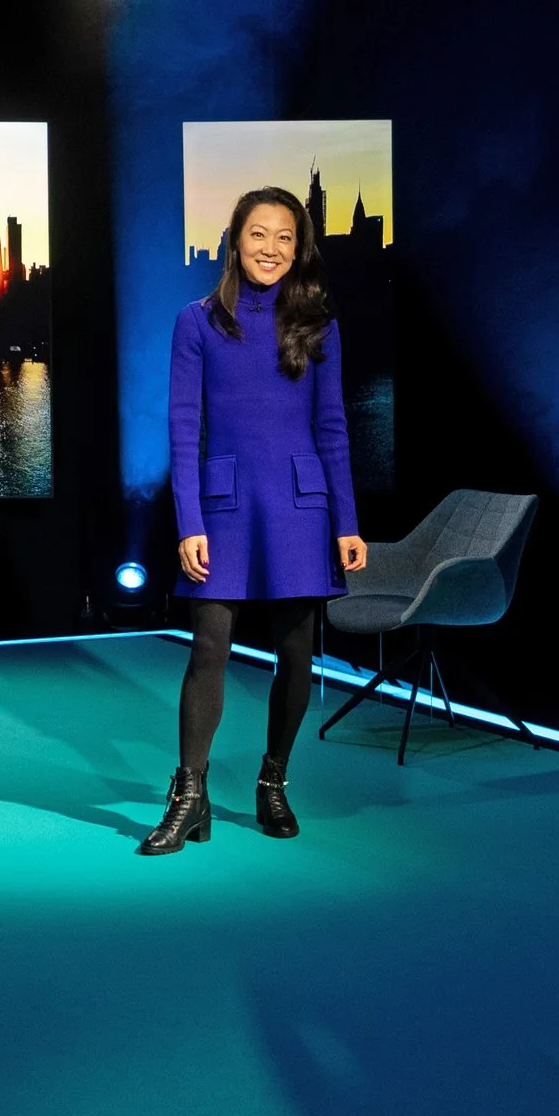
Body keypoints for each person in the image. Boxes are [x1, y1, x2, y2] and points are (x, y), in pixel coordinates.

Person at [139, 186, 366, 855]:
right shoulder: (198, 321)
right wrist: (188, 522)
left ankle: (273, 780)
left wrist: (346, 522)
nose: (270, 248)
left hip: (301, 506)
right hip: (223, 506)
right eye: (258, 235)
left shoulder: (321, 325)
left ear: (300, 249)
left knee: (296, 651)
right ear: (235, 241)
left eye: (285, 238)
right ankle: (189, 794)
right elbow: (184, 429)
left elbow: (332, 428)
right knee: (209, 645)